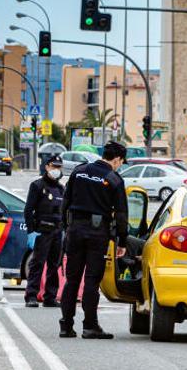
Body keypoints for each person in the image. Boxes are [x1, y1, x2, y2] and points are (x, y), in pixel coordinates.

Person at [58, 142, 129, 339]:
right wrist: (122, 241)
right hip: (98, 233)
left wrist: (66, 228)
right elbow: (122, 214)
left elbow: (65, 202)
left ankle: (66, 325)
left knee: (72, 279)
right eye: (121, 163)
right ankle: (90, 326)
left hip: (75, 230)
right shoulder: (113, 179)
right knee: (91, 280)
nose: (119, 166)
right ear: (116, 159)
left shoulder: (78, 172)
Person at [24, 155, 66, 308]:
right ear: (47, 167)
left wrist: (64, 232)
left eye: (59, 167)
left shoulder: (61, 189)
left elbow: (65, 213)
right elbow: (28, 210)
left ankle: (50, 297)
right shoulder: (37, 186)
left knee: (54, 266)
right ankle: (31, 296)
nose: (57, 170)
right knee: (37, 264)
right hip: (42, 231)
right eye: (54, 166)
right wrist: (31, 231)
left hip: (57, 232)